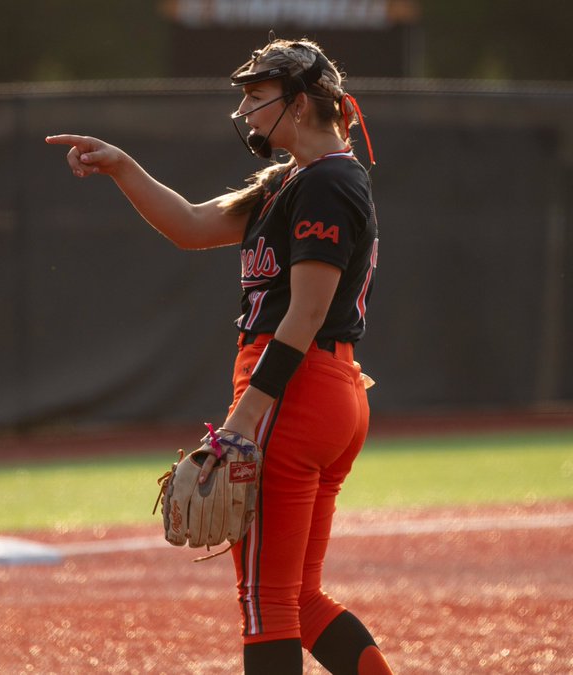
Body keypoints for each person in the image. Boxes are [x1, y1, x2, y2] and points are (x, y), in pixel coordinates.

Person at [46, 38, 392, 675]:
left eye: (258, 97)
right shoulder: (297, 182)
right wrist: (123, 166)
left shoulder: (323, 184)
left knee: (266, 604)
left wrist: (245, 418)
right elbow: (191, 225)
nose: (248, 112)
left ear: (301, 100)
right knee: (302, 600)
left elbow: (306, 313)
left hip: (293, 390)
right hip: (326, 389)